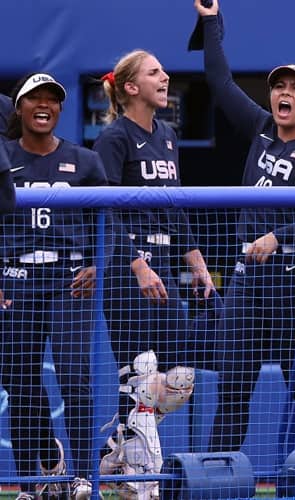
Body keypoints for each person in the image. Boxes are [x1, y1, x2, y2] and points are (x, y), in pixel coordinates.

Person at [192, 0, 295, 454]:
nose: (284, 93)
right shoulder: (262, 128)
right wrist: (210, 23)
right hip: (248, 280)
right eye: (278, 86)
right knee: (234, 386)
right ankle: (217, 478)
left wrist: (280, 236)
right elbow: (219, 83)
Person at [92, 49, 215, 499]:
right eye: (154, 72)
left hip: (163, 267)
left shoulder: (166, 135)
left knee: (181, 378)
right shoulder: (113, 138)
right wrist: (137, 264)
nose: (165, 77)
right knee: (143, 379)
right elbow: (104, 213)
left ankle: (115, 445)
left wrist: (196, 261)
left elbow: (173, 205)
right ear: (130, 88)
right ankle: (143, 487)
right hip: (129, 273)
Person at [1, 73, 108, 500]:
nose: (43, 105)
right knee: (21, 380)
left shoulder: (85, 161)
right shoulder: (4, 157)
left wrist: (98, 265)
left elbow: (109, 220)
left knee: (73, 374)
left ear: (61, 109)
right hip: (16, 278)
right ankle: (33, 481)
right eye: (34, 99)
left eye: (52, 100)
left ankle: (83, 475)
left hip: (70, 279)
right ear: (18, 108)